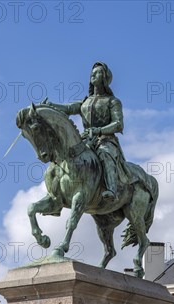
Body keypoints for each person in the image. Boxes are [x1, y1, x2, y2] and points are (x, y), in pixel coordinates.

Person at [45, 62, 125, 201]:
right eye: (92, 72)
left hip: (105, 141)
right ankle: (56, 194)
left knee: (105, 156)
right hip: (86, 140)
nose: (93, 74)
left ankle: (111, 189)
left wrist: (99, 130)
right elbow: (68, 108)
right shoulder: (85, 101)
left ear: (105, 78)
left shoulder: (112, 101)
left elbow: (118, 124)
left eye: (98, 72)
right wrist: (50, 106)